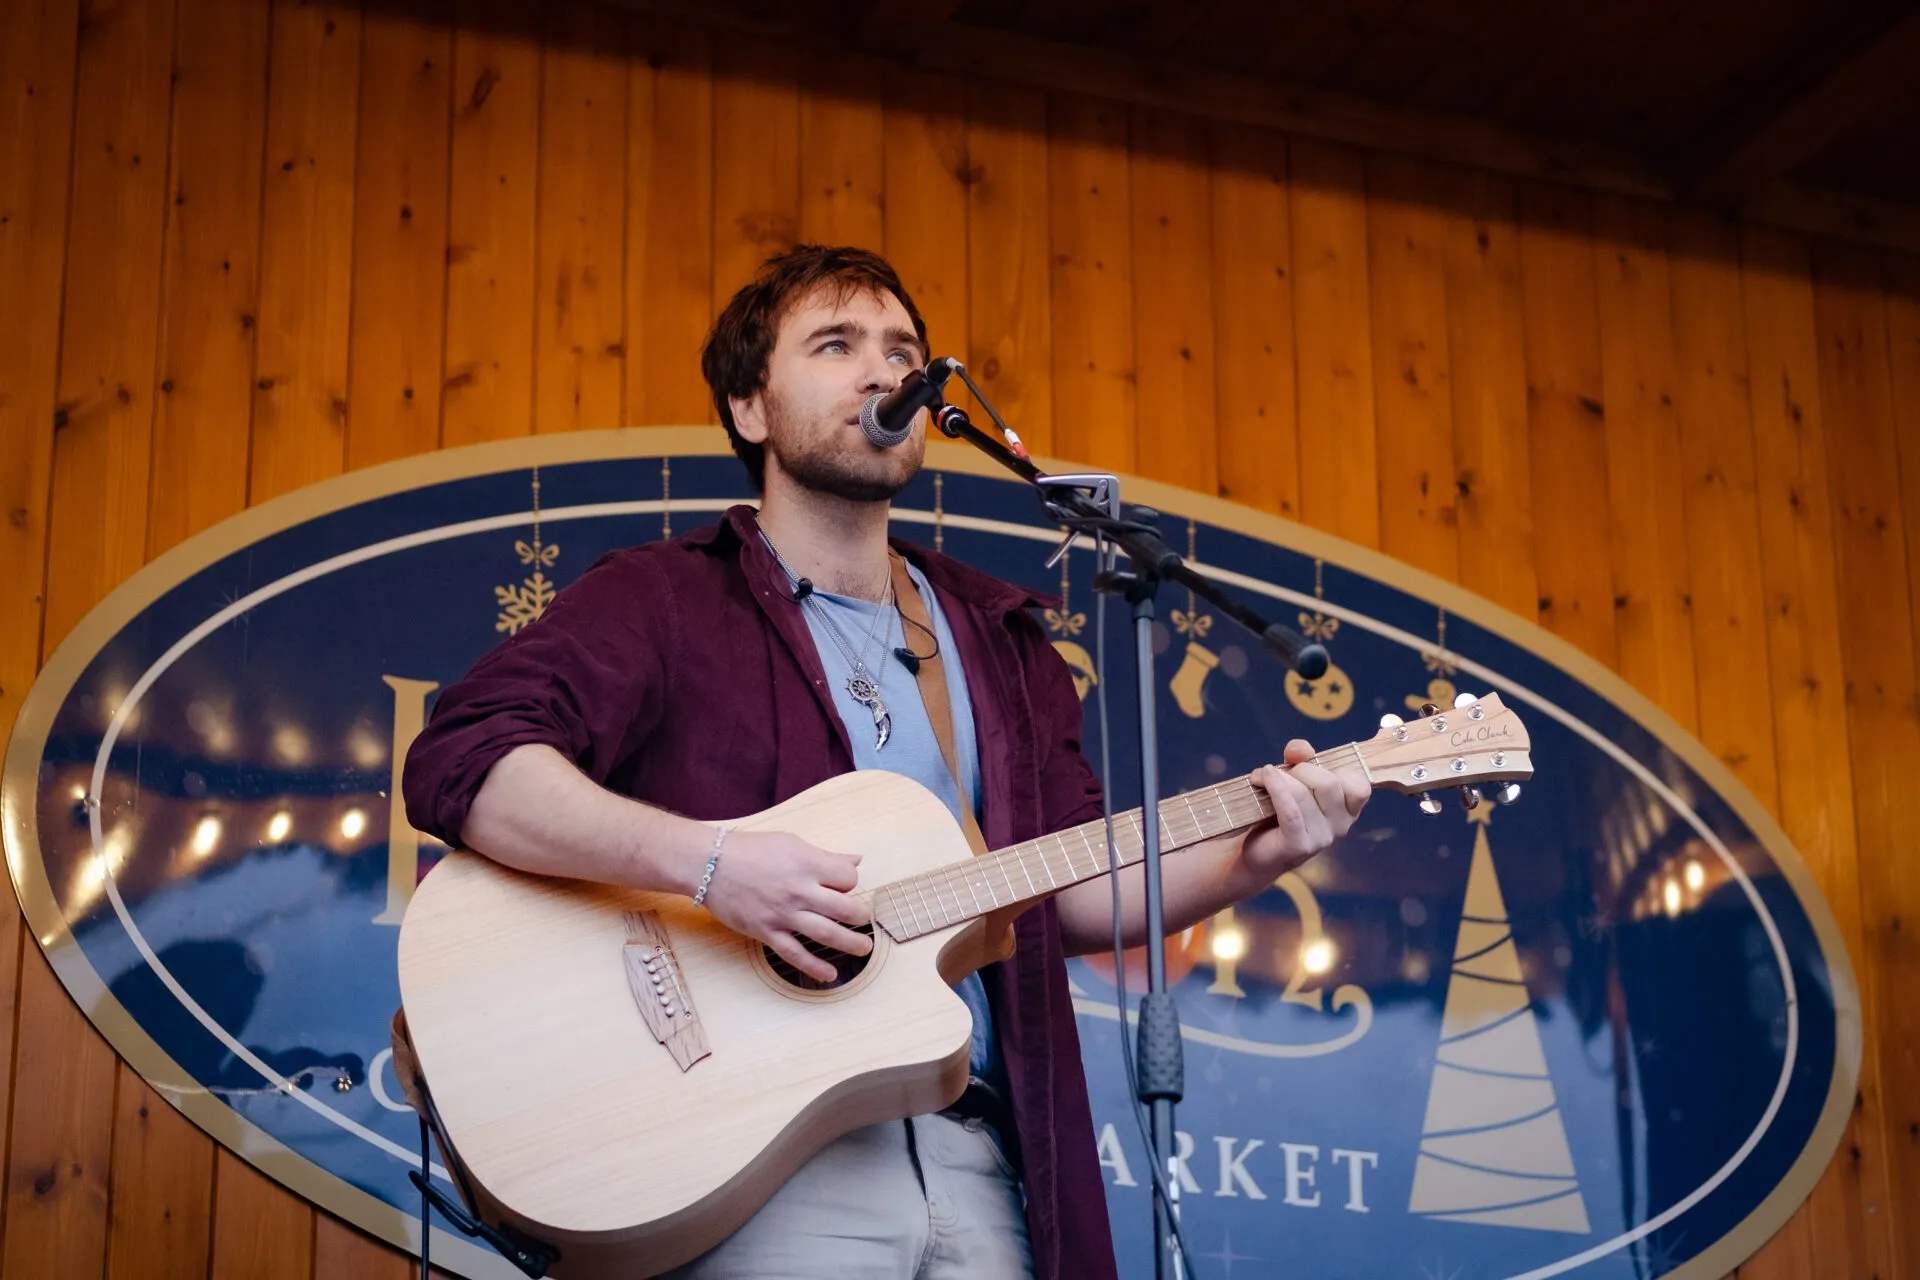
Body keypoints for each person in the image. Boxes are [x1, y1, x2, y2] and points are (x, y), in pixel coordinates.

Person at [401, 245, 1372, 1280]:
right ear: (750, 409)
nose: (884, 371)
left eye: (902, 349)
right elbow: (467, 758)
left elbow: (1067, 892)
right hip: (750, 1163)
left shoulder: (1006, 642)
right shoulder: (663, 598)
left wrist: (1255, 858)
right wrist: (711, 863)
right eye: (836, 344)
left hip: (976, 1153)